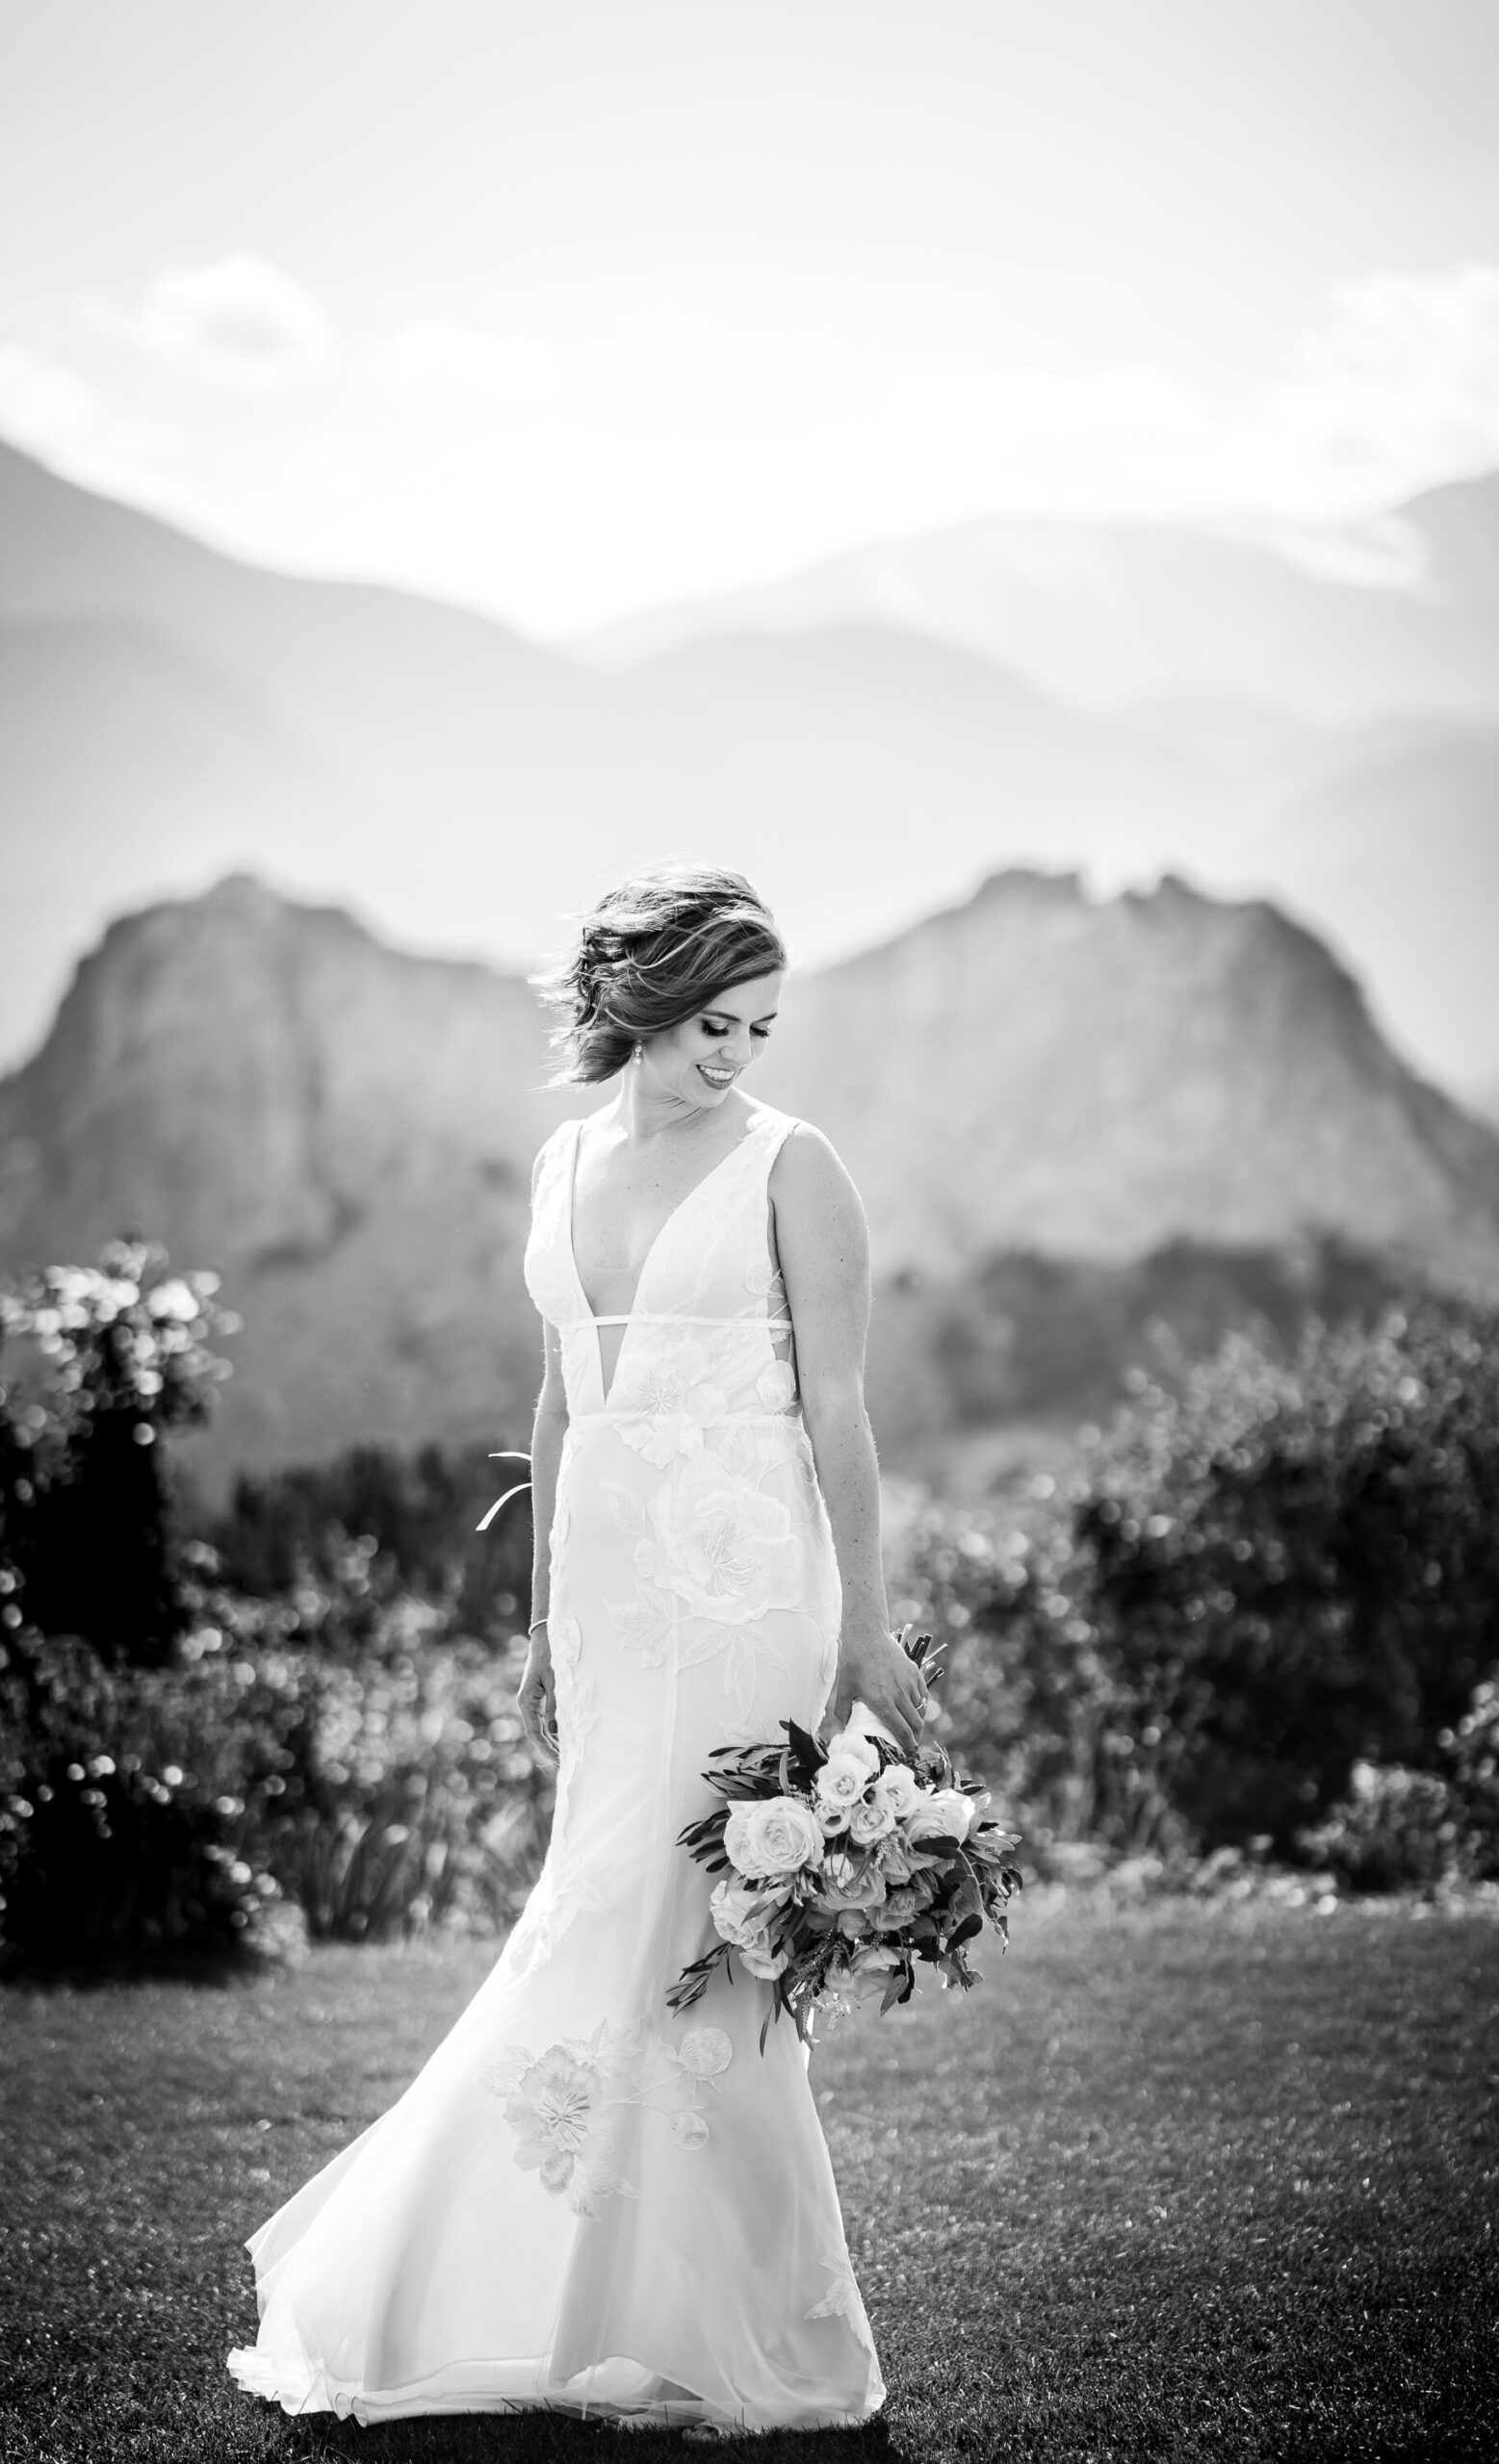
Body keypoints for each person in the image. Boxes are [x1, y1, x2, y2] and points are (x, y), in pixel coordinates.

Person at [227, 864, 926, 2433]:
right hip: (612, 1607)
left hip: (745, 1591)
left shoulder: (791, 1167)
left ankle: (726, 2327)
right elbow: (556, 1407)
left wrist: (866, 1622)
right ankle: (609, 2311)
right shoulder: (563, 1157)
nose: (737, 1053)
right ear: (635, 1002)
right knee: (607, 1919)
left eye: (758, 1025)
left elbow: (841, 1412)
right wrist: (544, 1622)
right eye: (708, 1025)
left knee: (699, 1935)